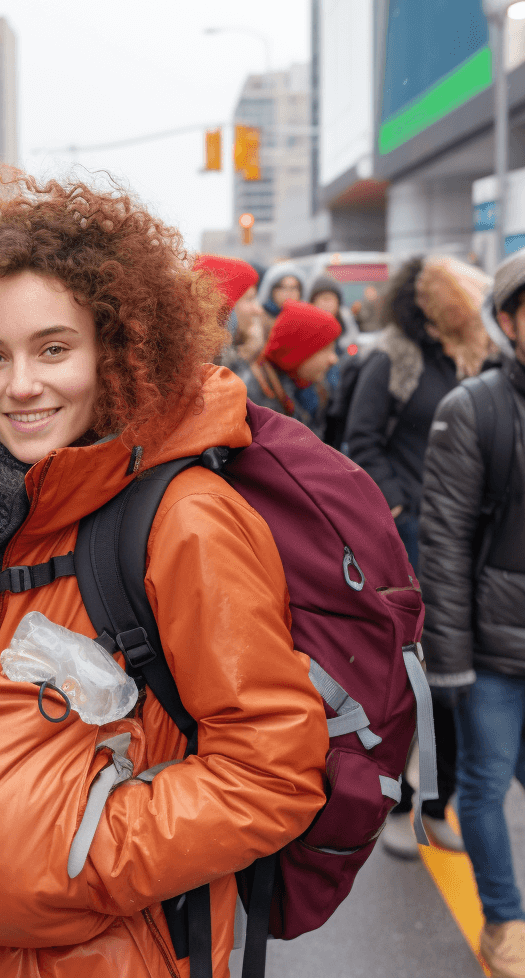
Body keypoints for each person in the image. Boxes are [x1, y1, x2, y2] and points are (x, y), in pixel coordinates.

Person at [0, 174, 329, 978]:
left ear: (114, 350)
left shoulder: (183, 519)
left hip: (121, 949)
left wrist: (74, 851)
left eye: (53, 348)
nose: (21, 386)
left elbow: (271, 772)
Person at [345, 255, 494, 858]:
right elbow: (361, 442)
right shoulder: (394, 357)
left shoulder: (471, 354)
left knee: (458, 675)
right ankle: (397, 805)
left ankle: (437, 804)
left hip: (468, 542)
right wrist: (400, 511)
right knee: (412, 678)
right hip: (411, 544)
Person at [419, 252, 525, 978]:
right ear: (511, 320)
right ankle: (506, 923)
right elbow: (446, 542)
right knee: (485, 785)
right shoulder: (474, 409)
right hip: (492, 644)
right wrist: (448, 658)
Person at [233, 299, 340, 437]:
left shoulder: (314, 390)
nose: (333, 359)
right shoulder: (253, 402)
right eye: (326, 349)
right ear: (300, 351)